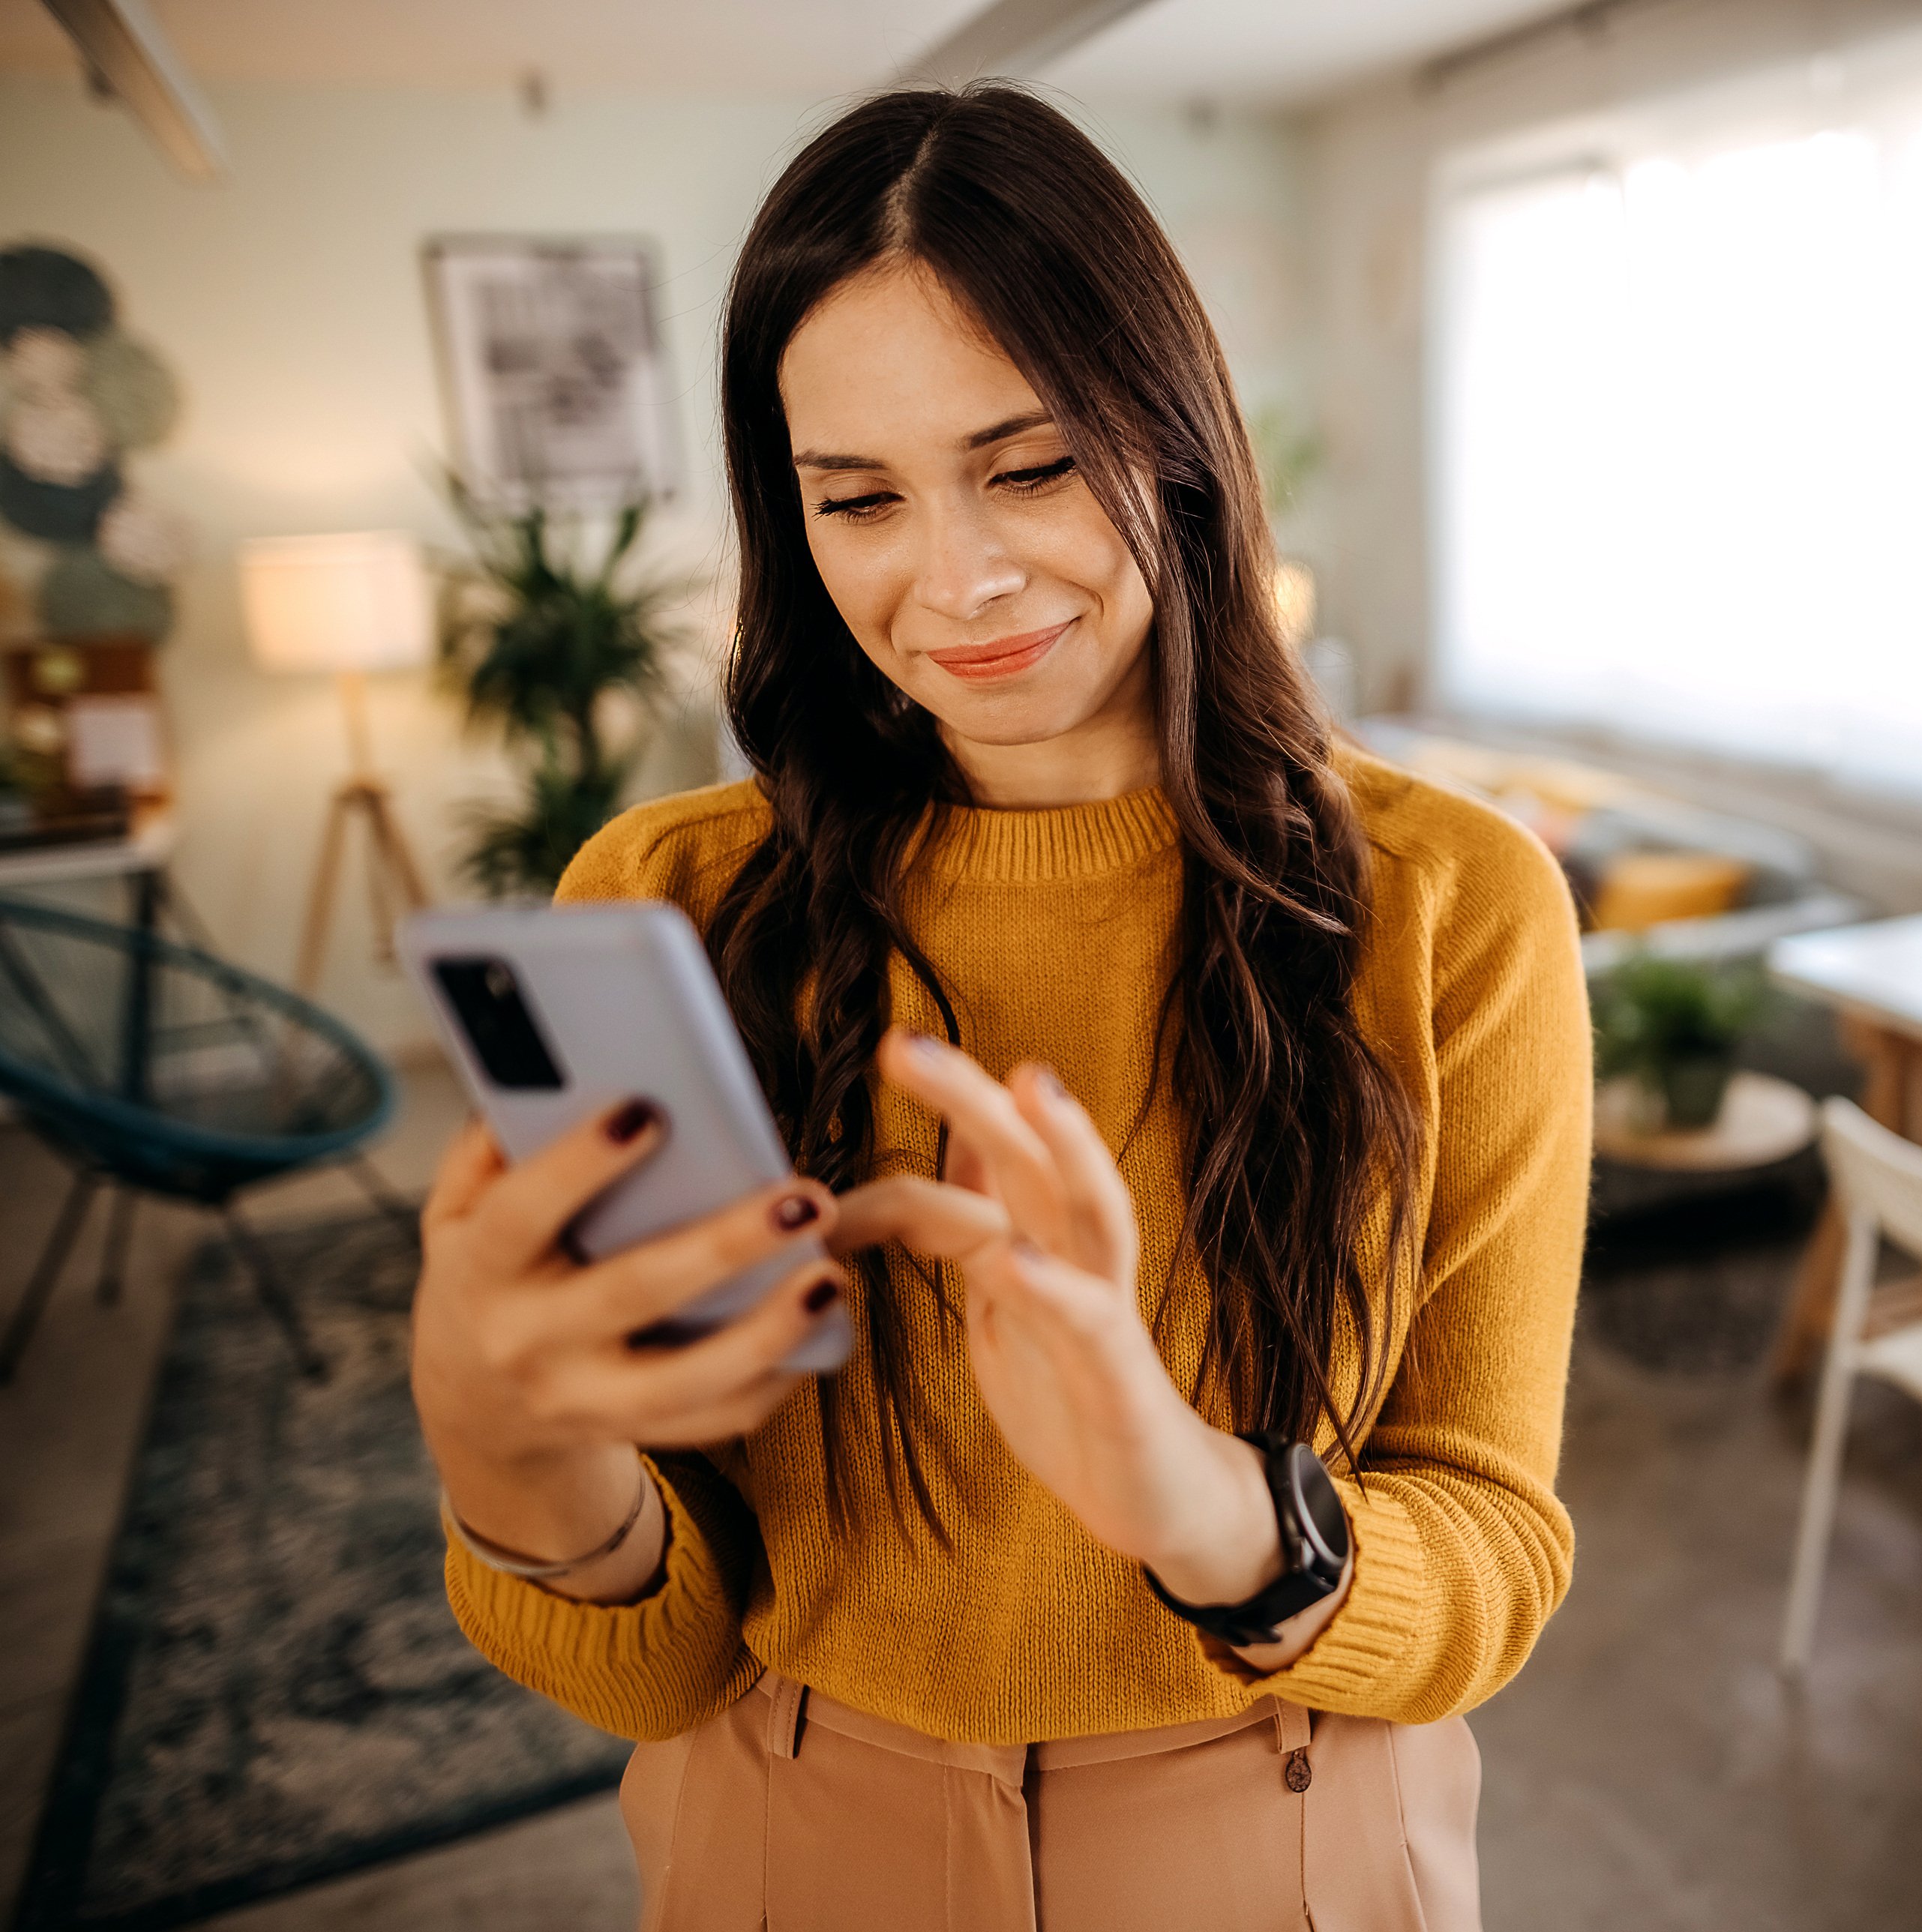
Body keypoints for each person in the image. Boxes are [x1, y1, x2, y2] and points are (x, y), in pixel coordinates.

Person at [405, 84, 1590, 1931]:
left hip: (1282, 1818)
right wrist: (506, 1439)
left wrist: (1195, 1494)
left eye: (1029, 467)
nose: (949, 580)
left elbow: (1496, 1553)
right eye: (855, 498)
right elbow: (653, 1666)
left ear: (1174, 440)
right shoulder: (675, 902)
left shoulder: (1449, 904)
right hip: (787, 1819)